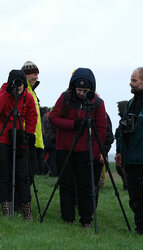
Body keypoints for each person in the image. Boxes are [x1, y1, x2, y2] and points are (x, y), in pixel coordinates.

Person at [49, 68, 107, 228]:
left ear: (92, 89)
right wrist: (73, 125)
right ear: (73, 87)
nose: (81, 93)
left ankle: (86, 220)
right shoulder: (65, 97)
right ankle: (67, 218)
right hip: (64, 149)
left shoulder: (97, 103)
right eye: (79, 89)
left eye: (85, 90)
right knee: (66, 184)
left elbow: (101, 130)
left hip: (86, 151)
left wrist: (95, 152)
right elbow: (53, 117)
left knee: (86, 186)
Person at [0, 69, 37, 220]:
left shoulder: (27, 97)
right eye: (15, 83)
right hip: (0, 138)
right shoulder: (2, 93)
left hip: (18, 138)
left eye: (21, 83)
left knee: (23, 176)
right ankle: (6, 208)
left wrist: (27, 138)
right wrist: (7, 93)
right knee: (3, 175)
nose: (18, 87)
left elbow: (32, 118)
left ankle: (26, 211)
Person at [115, 67, 143, 235]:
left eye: (134, 80)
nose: (130, 83)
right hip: (131, 159)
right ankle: (140, 229)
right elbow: (123, 129)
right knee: (135, 197)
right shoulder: (132, 103)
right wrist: (119, 151)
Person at [21, 61, 46, 175]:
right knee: (25, 177)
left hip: (36, 142)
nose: (36, 77)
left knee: (30, 178)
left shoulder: (32, 91)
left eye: (37, 74)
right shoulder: (23, 91)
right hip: (26, 141)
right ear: (25, 75)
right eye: (34, 74)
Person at [114, 101, 128, 190]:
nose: (118, 110)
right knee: (120, 169)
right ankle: (126, 186)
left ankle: (127, 186)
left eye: (119, 108)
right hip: (121, 149)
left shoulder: (126, 120)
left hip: (125, 150)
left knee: (123, 169)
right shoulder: (123, 120)